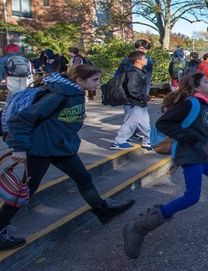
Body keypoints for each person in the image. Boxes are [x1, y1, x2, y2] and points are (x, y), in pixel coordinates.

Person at [122, 73, 208, 259]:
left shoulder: (204, 103)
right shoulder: (189, 103)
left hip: (204, 153)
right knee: (192, 196)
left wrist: (206, 130)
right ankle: (138, 227)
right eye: (205, 81)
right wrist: (187, 136)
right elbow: (163, 123)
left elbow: (196, 124)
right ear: (196, 87)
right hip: (191, 155)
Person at [0, 64, 135, 250]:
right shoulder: (59, 95)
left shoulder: (76, 93)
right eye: (95, 80)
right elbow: (22, 119)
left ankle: (102, 211)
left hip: (61, 147)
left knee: (83, 178)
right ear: (79, 80)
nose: (98, 83)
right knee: (27, 189)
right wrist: (20, 148)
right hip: (41, 149)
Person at [110, 51, 152, 150]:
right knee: (129, 123)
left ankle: (147, 141)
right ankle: (118, 142)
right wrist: (143, 97)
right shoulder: (133, 73)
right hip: (133, 103)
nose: (146, 60)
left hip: (139, 103)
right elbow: (132, 89)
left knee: (145, 123)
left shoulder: (139, 71)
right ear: (138, 60)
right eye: (144, 58)